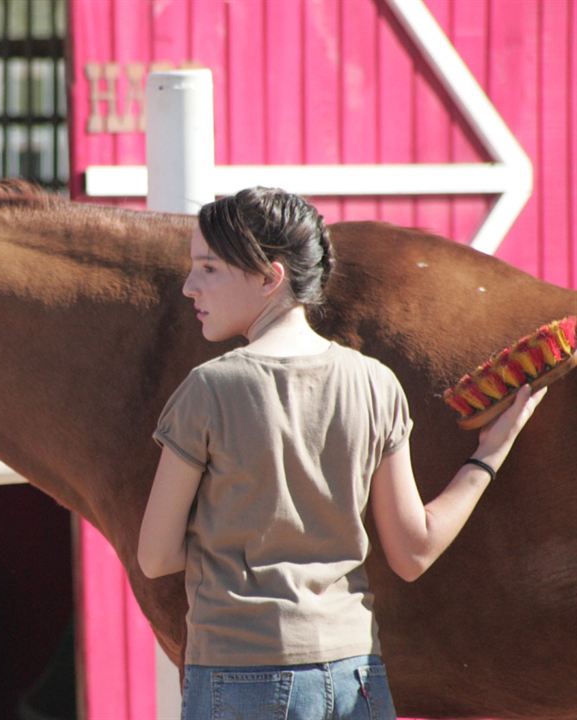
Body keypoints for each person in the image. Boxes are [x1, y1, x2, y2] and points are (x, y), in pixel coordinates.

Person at [137, 188, 546, 720]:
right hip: (353, 674)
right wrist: (488, 456)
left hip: (239, 675)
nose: (190, 286)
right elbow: (413, 552)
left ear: (269, 277)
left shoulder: (208, 390)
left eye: (209, 268)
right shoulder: (375, 384)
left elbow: (156, 556)